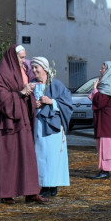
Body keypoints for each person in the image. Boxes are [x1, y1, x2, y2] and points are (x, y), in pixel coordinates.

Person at [0, 45, 45, 204]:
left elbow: (25, 93)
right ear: (12, 57)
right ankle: (6, 193)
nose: (23, 60)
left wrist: (29, 95)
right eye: (20, 57)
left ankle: (31, 192)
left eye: (24, 57)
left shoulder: (24, 71)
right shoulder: (1, 75)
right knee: (8, 158)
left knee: (27, 156)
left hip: (22, 119)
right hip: (6, 123)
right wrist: (20, 93)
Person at [30, 57, 73, 197]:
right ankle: (44, 185)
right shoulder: (31, 85)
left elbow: (67, 103)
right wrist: (33, 105)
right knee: (40, 156)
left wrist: (51, 101)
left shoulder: (56, 84)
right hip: (38, 126)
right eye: (33, 67)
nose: (34, 70)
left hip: (53, 127)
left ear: (44, 68)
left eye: (37, 67)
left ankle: (52, 186)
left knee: (53, 156)